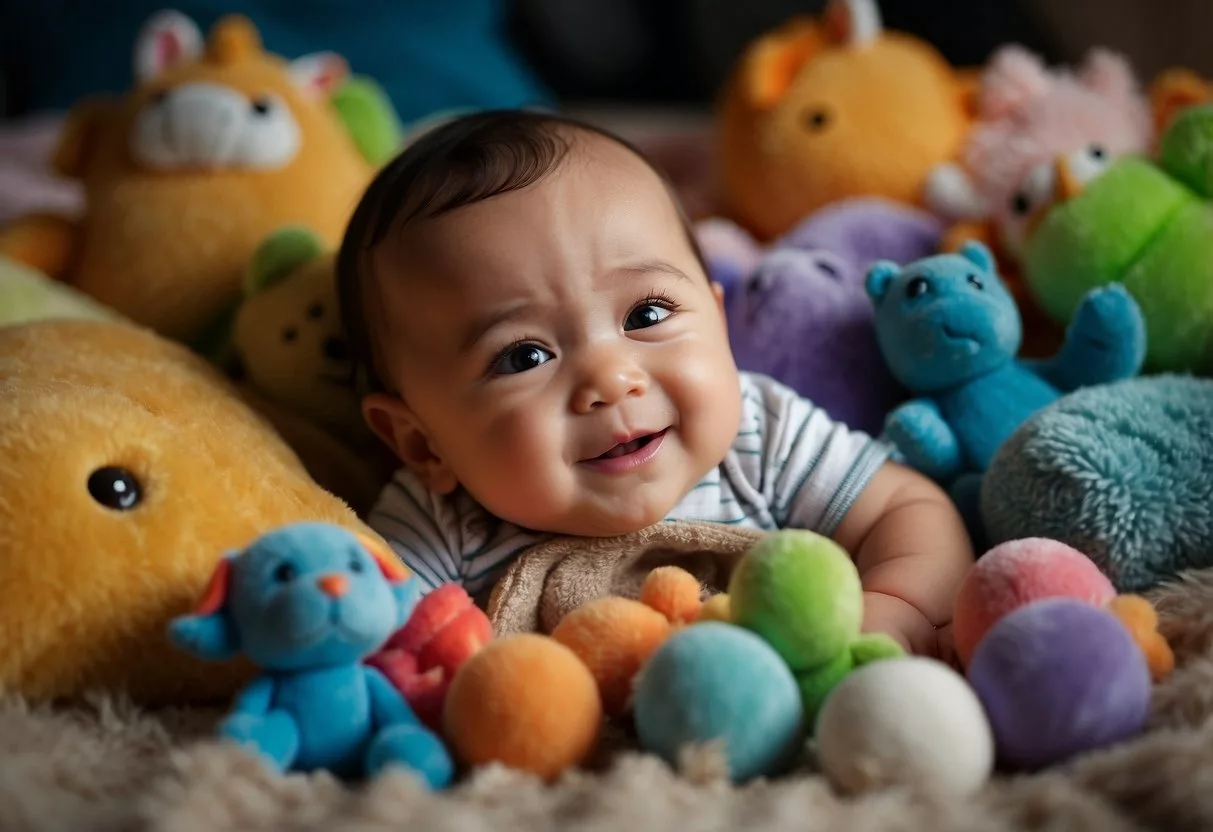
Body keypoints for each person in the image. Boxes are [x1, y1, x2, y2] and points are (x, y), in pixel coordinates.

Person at [336, 109, 973, 658]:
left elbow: (906, 508)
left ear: (719, 323)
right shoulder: (441, 523)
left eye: (647, 315)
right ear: (423, 444)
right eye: (525, 356)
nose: (611, 379)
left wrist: (898, 608)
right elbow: (374, 640)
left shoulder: (759, 434)